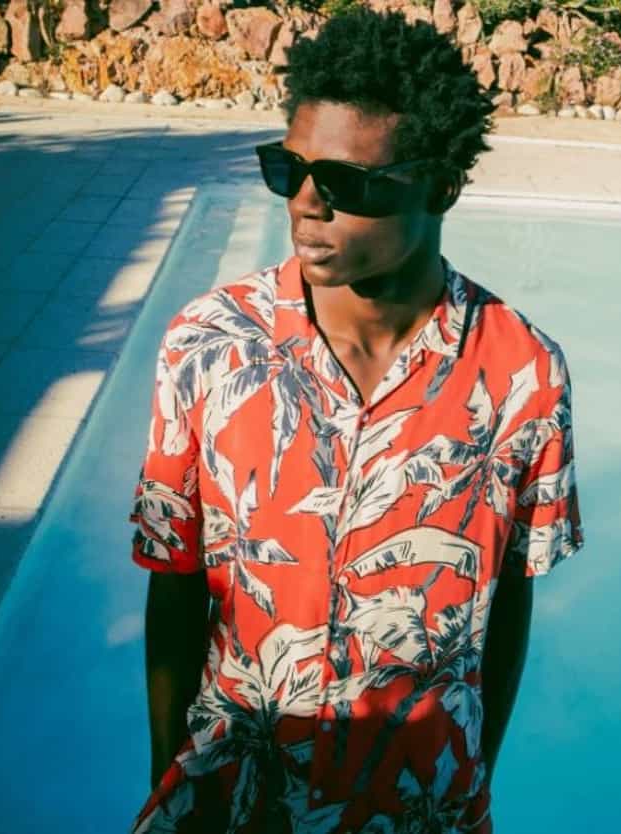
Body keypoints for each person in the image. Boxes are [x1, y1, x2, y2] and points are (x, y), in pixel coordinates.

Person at [127, 8, 584, 833]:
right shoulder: (210, 344)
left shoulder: (524, 374)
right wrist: (169, 781)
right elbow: (176, 580)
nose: (307, 204)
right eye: (290, 169)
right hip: (234, 793)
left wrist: (471, 778)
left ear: (441, 187)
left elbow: (507, 604)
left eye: (347, 183)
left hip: (415, 807)